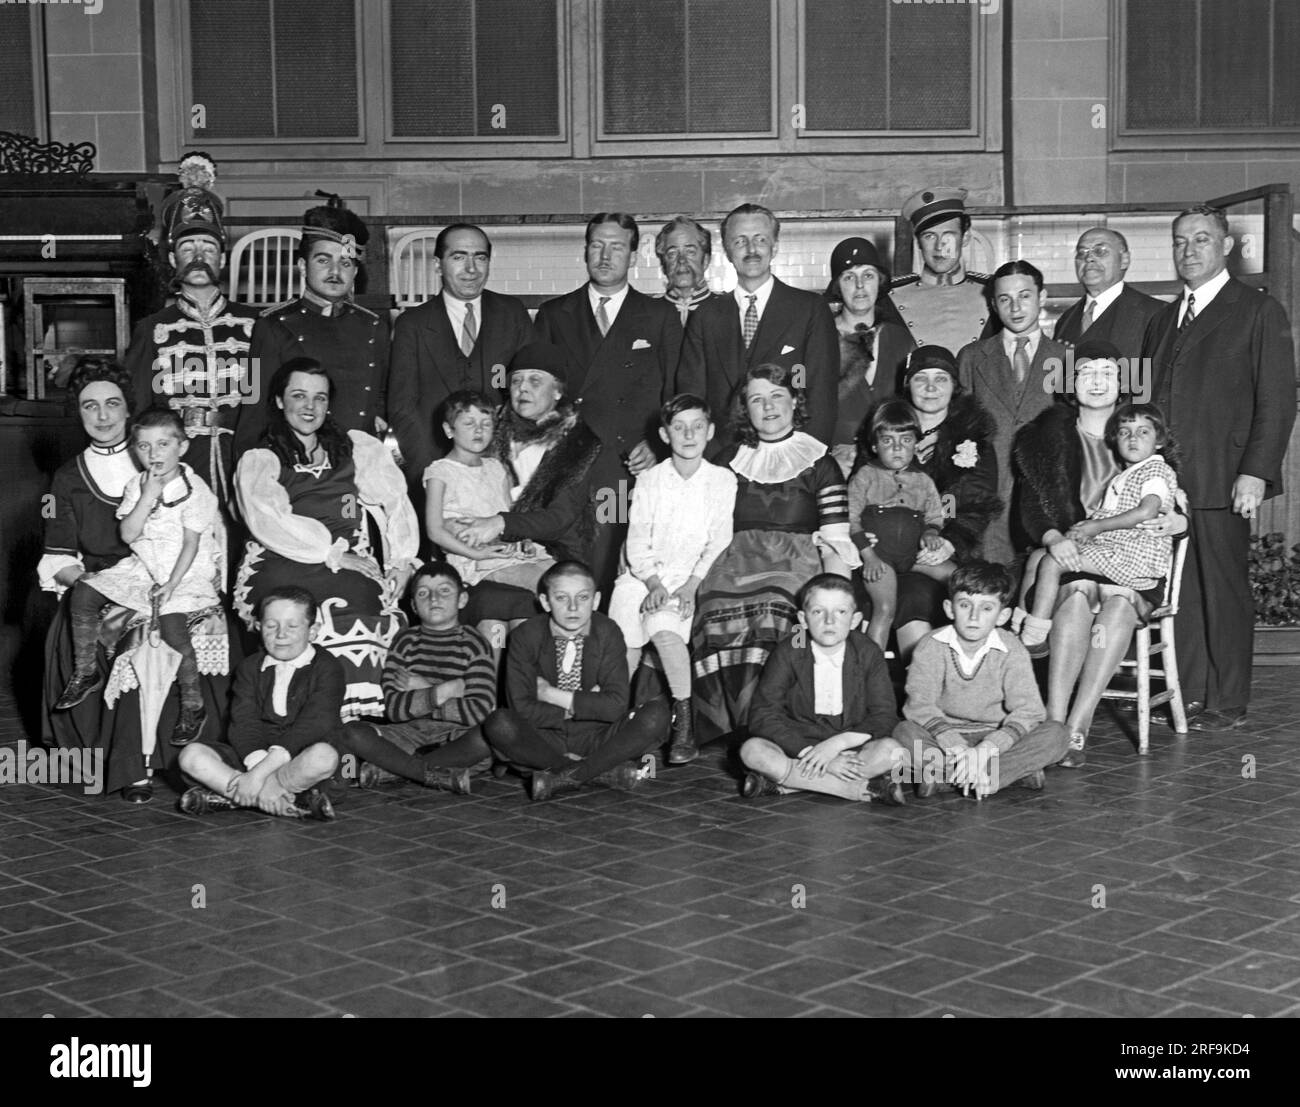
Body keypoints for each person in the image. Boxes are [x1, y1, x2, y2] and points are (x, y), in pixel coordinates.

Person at [39, 358, 234, 803]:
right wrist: (103, 587)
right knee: (126, 631)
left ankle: (194, 754)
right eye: (90, 407)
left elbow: (203, 535)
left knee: (165, 627)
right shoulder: (67, 477)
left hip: (176, 577)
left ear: (130, 410)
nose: (103, 417)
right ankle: (133, 767)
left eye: (113, 404)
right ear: (79, 413)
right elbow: (57, 557)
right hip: (104, 578)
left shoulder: (160, 457)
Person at [1145, 204, 1296, 731]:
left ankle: (1227, 697)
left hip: (1224, 476)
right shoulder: (1164, 318)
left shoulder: (1257, 310)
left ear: (1227, 246)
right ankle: (1188, 691)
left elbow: (1277, 400)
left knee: (1224, 589)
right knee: (1180, 592)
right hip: (1167, 484)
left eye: (1202, 240)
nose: (1189, 251)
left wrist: (1254, 471)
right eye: (1181, 241)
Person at [1013, 340, 1186, 767]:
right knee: (1074, 601)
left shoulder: (1140, 431)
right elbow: (1031, 511)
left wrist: (1181, 522)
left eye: (1107, 373)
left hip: (1134, 562)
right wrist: (1056, 539)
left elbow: (1172, 501)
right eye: (1086, 373)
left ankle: (1079, 724)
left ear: (1122, 382)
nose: (1096, 382)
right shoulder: (1043, 437)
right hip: (1075, 556)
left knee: (1117, 609)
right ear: (1070, 382)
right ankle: (1053, 723)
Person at [234, 358, 419, 721]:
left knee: (365, 600)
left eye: (319, 398)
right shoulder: (263, 458)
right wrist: (330, 554)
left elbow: (395, 499)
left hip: (350, 559)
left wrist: (402, 560)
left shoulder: (355, 449)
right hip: (283, 559)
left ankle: (357, 725)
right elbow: (270, 521)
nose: (309, 407)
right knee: (296, 611)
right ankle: (298, 721)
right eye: (299, 396)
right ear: (278, 401)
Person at [691, 363, 860, 745]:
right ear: (745, 409)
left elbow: (836, 537)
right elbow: (701, 526)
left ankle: (770, 724)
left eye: (777, 396)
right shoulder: (725, 460)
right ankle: (721, 721)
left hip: (797, 558)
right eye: (757, 399)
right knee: (713, 603)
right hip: (734, 557)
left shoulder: (820, 462)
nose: (768, 407)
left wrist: (837, 592)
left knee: (775, 604)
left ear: (794, 401)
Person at [418, 561, 671, 801]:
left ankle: (563, 775)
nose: (573, 607)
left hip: (597, 736)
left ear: (596, 600)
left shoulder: (608, 631)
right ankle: (585, 773)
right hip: (543, 739)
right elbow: (521, 708)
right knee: (500, 723)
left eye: (582, 598)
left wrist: (551, 694)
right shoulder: (526, 636)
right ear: (545, 601)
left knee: (657, 712)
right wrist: (586, 704)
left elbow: (615, 706)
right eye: (561, 598)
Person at [55, 407, 225, 750]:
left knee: (174, 625)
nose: (153, 454)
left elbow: (191, 545)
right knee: (85, 591)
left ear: (182, 446)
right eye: (144, 446)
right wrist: (146, 497)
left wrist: (172, 585)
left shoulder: (196, 490)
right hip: (145, 565)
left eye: (163, 444)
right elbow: (130, 534)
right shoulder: (137, 485)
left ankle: (193, 705)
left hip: (185, 570)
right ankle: (86, 670)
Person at [532, 212, 683, 597]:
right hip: (568, 466)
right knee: (567, 571)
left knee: (617, 570)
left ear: (633, 256)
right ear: (585, 252)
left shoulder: (658, 315)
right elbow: (536, 397)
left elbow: (676, 393)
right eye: (597, 245)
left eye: (617, 247)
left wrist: (658, 442)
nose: (605, 255)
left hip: (627, 463)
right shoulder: (554, 314)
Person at [607, 394, 737, 765]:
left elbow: (719, 540)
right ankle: (614, 727)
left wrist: (691, 585)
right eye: (679, 428)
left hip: (686, 578)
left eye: (697, 426)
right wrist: (651, 583)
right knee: (624, 645)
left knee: (664, 631)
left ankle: (684, 725)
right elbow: (636, 538)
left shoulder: (721, 480)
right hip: (642, 576)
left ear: (710, 432)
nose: (689, 434)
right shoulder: (650, 480)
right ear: (665, 435)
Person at [125, 153, 258, 509]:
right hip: (179, 463)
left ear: (223, 259)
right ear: (172, 260)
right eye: (187, 248)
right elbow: (139, 408)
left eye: (209, 248)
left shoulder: (256, 325)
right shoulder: (152, 329)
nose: (198, 256)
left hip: (243, 460)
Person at [451, 343, 606, 627]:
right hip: (487, 554)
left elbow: (559, 519)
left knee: (560, 596)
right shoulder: (489, 429)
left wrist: (500, 523)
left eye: (535, 381)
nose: (523, 389)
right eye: (517, 381)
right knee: (490, 619)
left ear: (558, 392)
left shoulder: (578, 441)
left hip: (556, 552)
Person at [890, 561, 1069, 799]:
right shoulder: (931, 645)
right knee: (902, 731)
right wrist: (958, 746)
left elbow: (1029, 710)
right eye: (965, 605)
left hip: (996, 738)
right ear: (949, 608)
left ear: (1002, 615)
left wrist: (986, 749)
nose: (974, 617)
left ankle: (949, 776)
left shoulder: (1011, 649)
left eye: (986, 608)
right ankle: (1006, 774)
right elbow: (919, 706)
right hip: (945, 738)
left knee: (1058, 734)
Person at [386, 223, 532, 505]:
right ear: (438, 265)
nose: (471, 269)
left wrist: (506, 464)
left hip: (501, 471)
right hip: (436, 468)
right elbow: (402, 406)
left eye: (480, 257)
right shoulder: (412, 325)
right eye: (459, 257)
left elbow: (528, 396)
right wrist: (433, 470)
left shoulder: (512, 314)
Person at [176, 586, 351, 820]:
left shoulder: (328, 667)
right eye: (271, 626)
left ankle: (239, 798)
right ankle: (276, 800)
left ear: (313, 630)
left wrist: (260, 776)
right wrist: (258, 770)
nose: (281, 634)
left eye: (292, 626)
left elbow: (314, 724)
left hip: (302, 761)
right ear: (258, 627)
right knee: (191, 755)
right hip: (254, 756)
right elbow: (243, 722)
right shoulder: (249, 668)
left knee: (324, 756)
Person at [1018, 403, 1179, 656]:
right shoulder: (1125, 476)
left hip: (1135, 557)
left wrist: (1096, 526)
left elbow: (1147, 511)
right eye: (1125, 432)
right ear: (1115, 440)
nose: (1133, 439)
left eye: (1143, 432)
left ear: (1159, 441)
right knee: (1038, 556)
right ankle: (1021, 623)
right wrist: (1076, 533)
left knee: (1052, 562)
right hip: (1119, 549)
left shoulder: (1155, 470)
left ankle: (1035, 635)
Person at [678, 203, 839, 455]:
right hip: (724, 460)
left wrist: (807, 461)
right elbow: (693, 397)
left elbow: (819, 393)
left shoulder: (809, 309)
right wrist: (710, 461)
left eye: (760, 239)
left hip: (791, 459)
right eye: (740, 241)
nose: (751, 250)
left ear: (775, 247)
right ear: (728, 251)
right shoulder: (706, 316)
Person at [235, 195, 389, 455]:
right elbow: (253, 409)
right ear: (302, 266)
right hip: (297, 465)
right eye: (323, 260)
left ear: (355, 272)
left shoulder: (374, 326)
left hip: (360, 463)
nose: (335, 271)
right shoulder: (271, 326)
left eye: (346, 263)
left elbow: (380, 404)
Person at [741, 574, 905, 804]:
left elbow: (884, 715)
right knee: (752, 751)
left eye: (840, 612)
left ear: (855, 619)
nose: (829, 621)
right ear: (803, 618)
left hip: (851, 747)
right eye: (818, 611)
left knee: (892, 751)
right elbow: (763, 714)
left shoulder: (868, 651)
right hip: (798, 745)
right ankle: (858, 789)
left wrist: (838, 745)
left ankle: (786, 784)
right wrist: (813, 754)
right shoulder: (790, 650)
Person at [337, 562, 491, 793]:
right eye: (423, 593)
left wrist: (423, 690)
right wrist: (441, 692)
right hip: (407, 733)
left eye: (444, 590)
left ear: (462, 599)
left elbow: (478, 710)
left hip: (453, 735)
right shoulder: (405, 641)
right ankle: (425, 772)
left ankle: (390, 771)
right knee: (351, 732)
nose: (434, 598)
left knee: (487, 740)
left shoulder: (475, 643)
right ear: (413, 606)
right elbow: (394, 709)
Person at [957, 260, 1069, 567]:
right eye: (1005, 299)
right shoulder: (971, 357)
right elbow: (960, 425)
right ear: (993, 304)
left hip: (1047, 491)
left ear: (1042, 297)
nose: (1015, 307)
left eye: (1025, 296)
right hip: (993, 489)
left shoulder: (1065, 358)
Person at [891, 347, 1001, 661]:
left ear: (955, 387)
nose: (930, 388)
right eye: (920, 379)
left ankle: (945, 690)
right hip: (891, 548)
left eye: (941, 379)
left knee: (925, 592)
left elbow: (978, 501)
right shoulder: (886, 428)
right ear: (907, 384)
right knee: (907, 591)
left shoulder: (972, 437)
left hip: (949, 550)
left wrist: (949, 544)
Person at [422, 390, 553, 617]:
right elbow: (434, 531)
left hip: (511, 552)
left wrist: (527, 540)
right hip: (476, 561)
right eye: (469, 423)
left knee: (567, 575)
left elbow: (510, 514)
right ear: (448, 429)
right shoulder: (440, 471)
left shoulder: (495, 467)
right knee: (554, 586)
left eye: (486, 423)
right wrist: (476, 555)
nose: (479, 430)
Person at [847, 400, 952, 652]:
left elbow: (935, 516)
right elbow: (850, 519)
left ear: (916, 444)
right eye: (887, 441)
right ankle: (871, 675)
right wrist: (869, 556)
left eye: (905, 440)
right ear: (874, 445)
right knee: (885, 609)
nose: (897, 448)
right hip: (880, 557)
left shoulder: (923, 480)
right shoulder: (865, 476)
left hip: (913, 555)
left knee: (961, 581)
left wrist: (930, 533)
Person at [824, 236, 916, 474]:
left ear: (880, 281)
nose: (860, 286)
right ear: (837, 286)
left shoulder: (901, 339)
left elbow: (915, 405)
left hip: (892, 466)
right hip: (837, 466)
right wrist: (828, 454)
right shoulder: (819, 339)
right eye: (849, 277)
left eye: (868, 275)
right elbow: (802, 406)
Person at [887, 187, 995, 353]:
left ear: (965, 238)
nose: (939, 246)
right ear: (918, 243)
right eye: (929, 236)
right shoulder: (891, 294)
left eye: (948, 236)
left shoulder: (993, 291)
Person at [1052, 227, 1163, 365]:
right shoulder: (1066, 320)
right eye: (1081, 253)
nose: (1089, 258)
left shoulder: (1156, 314)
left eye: (1100, 251)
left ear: (1124, 260)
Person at [653, 215, 721, 324]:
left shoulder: (726, 311)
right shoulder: (648, 314)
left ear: (706, 261)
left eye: (690, 252)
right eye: (672, 253)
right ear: (663, 264)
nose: (681, 260)